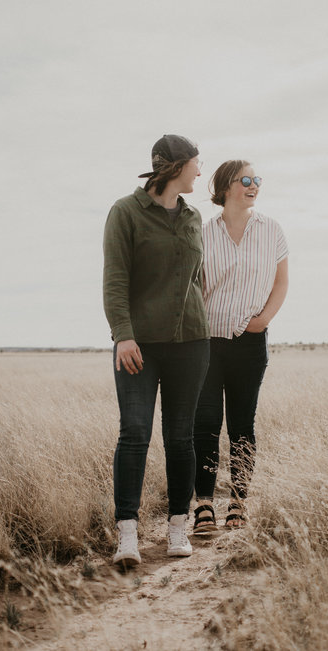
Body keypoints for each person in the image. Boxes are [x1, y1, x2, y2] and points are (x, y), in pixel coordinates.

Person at [102, 134, 210, 567]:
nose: (201, 172)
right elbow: (115, 279)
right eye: (196, 164)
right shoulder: (125, 212)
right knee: (134, 434)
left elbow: (197, 278)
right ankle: (127, 535)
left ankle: (178, 527)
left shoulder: (194, 217)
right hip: (139, 345)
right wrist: (123, 334)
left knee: (181, 437)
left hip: (191, 343)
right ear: (177, 167)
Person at [192, 160, 289, 533]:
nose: (254, 186)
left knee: (242, 426)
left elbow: (281, 283)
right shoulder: (201, 233)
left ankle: (238, 502)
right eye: (246, 180)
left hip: (250, 343)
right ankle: (203, 505)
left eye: (257, 180)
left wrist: (263, 320)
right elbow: (194, 287)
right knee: (205, 425)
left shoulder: (272, 231)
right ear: (226, 187)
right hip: (207, 342)